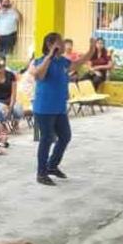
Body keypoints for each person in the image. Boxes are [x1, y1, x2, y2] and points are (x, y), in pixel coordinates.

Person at [31, 33, 90, 187]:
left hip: (59, 108)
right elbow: (39, 75)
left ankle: (52, 165)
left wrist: (91, 49)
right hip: (44, 108)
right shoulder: (41, 60)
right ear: (51, 44)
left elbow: (78, 63)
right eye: (61, 42)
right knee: (47, 139)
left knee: (65, 136)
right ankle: (41, 173)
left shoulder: (62, 61)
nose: (64, 44)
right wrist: (50, 55)